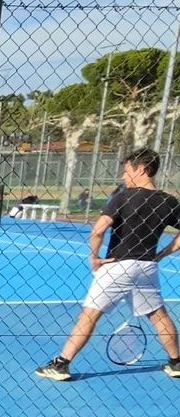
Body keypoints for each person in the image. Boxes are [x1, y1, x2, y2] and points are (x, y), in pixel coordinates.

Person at [35, 148, 180, 381]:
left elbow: (98, 230)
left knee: (89, 316)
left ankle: (62, 364)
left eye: (127, 170)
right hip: (146, 268)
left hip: (117, 266)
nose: (123, 176)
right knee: (159, 316)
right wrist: (162, 254)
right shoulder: (169, 201)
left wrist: (94, 257)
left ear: (141, 169)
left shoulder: (123, 197)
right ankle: (176, 362)